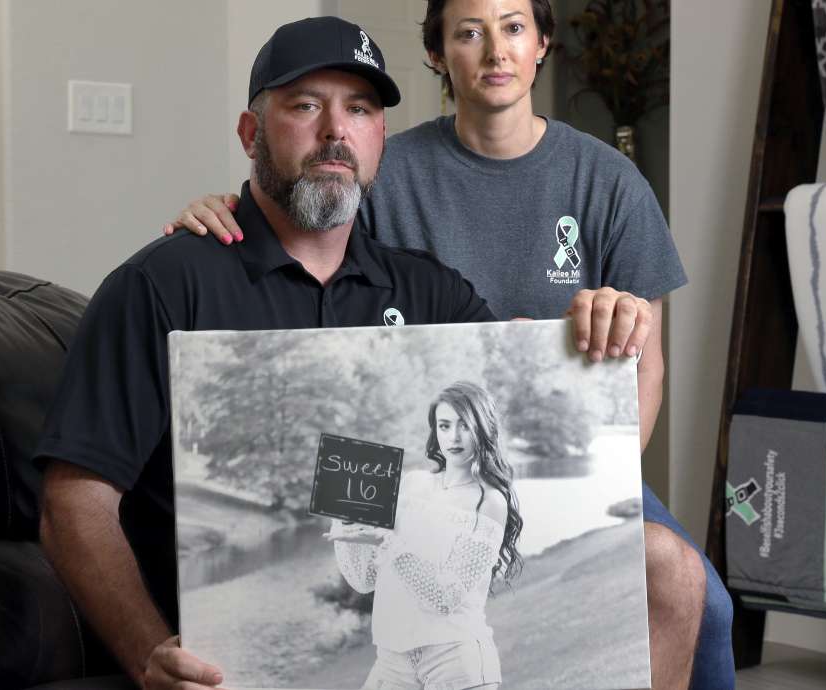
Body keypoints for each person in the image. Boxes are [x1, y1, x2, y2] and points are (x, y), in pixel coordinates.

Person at [36, 16, 622, 690]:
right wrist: (148, 653)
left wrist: (601, 323)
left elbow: (521, 379)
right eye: (307, 105)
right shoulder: (163, 287)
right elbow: (72, 503)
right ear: (252, 134)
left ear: (379, 139)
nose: (335, 131)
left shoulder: (432, 293)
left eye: (361, 109)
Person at [164, 2, 735, 688]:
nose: (496, 50)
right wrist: (228, 212)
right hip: (410, 462)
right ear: (437, 54)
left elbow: (649, 371)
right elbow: (301, 224)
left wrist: (597, 482)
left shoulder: (609, 183)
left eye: (515, 27)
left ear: (543, 43)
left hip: (558, 458)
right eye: (469, 32)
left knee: (709, 604)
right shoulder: (379, 168)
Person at [328, 381, 519, 690]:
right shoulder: (410, 484)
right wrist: (348, 521)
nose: (453, 437)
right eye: (444, 425)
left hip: (454, 658)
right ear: (435, 430)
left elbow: (446, 598)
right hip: (392, 658)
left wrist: (388, 542)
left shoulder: (489, 501)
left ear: (483, 428)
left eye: (465, 426)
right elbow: (365, 579)